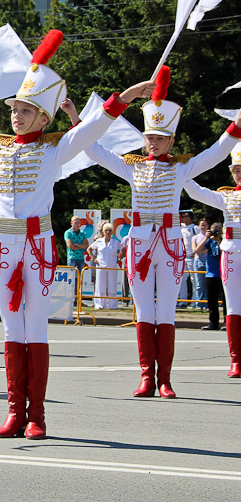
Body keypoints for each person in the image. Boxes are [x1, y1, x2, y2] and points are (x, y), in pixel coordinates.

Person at [0, 28, 153, 440]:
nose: (16, 115)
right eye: (15, 109)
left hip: (38, 246)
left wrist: (126, 96)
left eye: (25, 110)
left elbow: (94, 127)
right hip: (5, 245)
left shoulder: (55, 149)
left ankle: (36, 415)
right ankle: (13, 412)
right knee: (11, 330)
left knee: (35, 329)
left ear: (44, 118)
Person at [65, 65, 241, 400]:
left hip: (171, 245)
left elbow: (216, 152)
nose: (154, 143)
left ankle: (166, 380)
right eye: (150, 137)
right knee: (145, 313)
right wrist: (75, 118)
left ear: (171, 140)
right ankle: (147, 376)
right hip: (141, 244)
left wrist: (237, 125)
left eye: (160, 138)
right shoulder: (132, 167)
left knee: (166, 313)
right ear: (144, 139)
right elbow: (95, 151)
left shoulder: (182, 167)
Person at [184, 148, 241, 376]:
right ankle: (236, 360)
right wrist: (182, 173)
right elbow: (196, 192)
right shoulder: (227, 196)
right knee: (233, 306)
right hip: (231, 253)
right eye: (236, 170)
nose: (239, 174)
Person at [193, 222, 224, 331]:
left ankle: (226, 322)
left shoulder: (224, 242)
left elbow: (224, 251)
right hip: (210, 274)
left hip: (222, 274)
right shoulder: (209, 241)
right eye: (213, 230)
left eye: (217, 230)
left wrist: (218, 240)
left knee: (225, 300)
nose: (215, 233)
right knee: (211, 301)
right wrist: (206, 237)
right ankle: (213, 323)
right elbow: (197, 250)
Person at [87, 223, 121, 309]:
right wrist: (94, 258)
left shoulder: (115, 242)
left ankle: (112, 305)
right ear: (103, 231)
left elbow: (123, 249)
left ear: (112, 232)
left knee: (112, 285)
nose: (108, 232)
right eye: (106, 230)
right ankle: (100, 304)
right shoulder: (99, 241)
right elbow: (89, 249)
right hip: (101, 265)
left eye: (110, 230)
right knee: (100, 285)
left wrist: (119, 257)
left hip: (112, 266)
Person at [179, 210, 201, 308]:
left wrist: (195, 252)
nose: (183, 218)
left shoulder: (194, 228)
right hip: (182, 257)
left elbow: (199, 239)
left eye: (185, 216)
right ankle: (182, 301)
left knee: (194, 280)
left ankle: (195, 301)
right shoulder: (180, 228)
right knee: (182, 279)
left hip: (192, 256)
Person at [192, 219, 210, 309]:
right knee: (199, 284)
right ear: (199, 226)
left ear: (208, 226)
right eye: (202, 225)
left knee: (207, 284)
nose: (203, 227)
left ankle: (207, 303)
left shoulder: (210, 237)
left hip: (208, 261)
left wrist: (202, 250)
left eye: (205, 225)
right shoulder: (195, 237)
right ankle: (199, 304)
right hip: (198, 261)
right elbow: (195, 250)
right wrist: (202, 251)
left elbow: (210, 249)